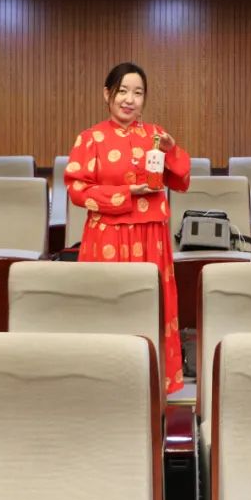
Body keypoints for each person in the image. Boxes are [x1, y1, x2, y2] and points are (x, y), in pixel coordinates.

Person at [64, 62, 191, 392]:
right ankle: (100, 386)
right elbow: (77, 191)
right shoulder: (90, 138)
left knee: (153, 308)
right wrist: (126, 193)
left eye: (138, 93)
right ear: (107, 94)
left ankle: (152, 389)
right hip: (107, 234)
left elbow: (181, 180)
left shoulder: (155, 135)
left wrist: (172, 150)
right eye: (122, 91)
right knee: (106, 306)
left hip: (151, 236)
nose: (129, 100)